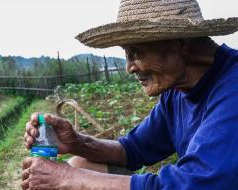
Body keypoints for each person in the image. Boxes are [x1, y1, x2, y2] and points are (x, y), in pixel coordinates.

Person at [22, 0, 238, 189]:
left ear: (179, 43)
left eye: (135, 52)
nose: (129, 67)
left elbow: (195, 185)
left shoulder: (232, 87)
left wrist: (66, 179)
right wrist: (77, 143)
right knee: (81, 164)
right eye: (126, 53)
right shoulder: (177, 93)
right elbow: (133, 149)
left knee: (76, 178)